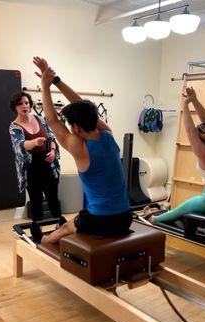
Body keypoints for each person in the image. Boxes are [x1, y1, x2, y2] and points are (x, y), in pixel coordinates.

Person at [31, 56, 132, 244]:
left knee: (66, 228)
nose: (69, 129)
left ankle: (43, 241)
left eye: (70, 126)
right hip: (125, 217)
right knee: (73, 221)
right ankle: (58, 232)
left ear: (76, 128)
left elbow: (52, 121)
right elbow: (84, 106)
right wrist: (56, 81)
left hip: (102, 221)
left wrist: (45, 87)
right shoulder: (107, 134)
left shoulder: (80, 147)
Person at [145, 87, 205, 225]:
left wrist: (185, 104)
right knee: (180, 216)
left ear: (200, 141)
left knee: (177, 211)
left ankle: (153, 219)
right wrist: (194, 100)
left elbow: (190, 131)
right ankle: (178, 223)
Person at [9, 91, 65, 224]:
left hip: (48, 164)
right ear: (15, 107)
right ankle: (37, 235)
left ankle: (62, 230)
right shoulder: (14, 127)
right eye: (20, 103)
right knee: (36, 204)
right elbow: (21, 145)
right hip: (31, 169)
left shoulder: (39, 119)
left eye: (27, 103)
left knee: (53, 200)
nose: (24, 106)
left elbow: (51, 137)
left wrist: (52, 150)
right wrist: (35, 142)